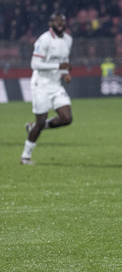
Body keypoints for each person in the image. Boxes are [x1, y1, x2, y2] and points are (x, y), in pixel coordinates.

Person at [21, 12, 73, 165]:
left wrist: (65, 74)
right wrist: (59, 66)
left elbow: (64, 60)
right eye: (56, 22)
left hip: (56, 85)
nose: (60, 24)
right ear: (50, 23)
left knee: (67, 118)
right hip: (41, 85)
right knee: (41, 122)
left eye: (62, 21)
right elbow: (34, 64)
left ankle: (32, 127)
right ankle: (25, 157)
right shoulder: (44, 40)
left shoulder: (68, 40)